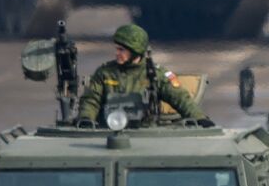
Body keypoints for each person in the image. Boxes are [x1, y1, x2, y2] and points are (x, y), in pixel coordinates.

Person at [77, 24, 206, 124]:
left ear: (135, 51)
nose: (117, 53)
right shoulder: (105, 73)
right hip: (109, 128)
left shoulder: (156, 74)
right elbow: (91, 99)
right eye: (116, 49)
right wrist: (86, 118)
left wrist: (199, 117)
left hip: (145, 130)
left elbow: (179, 97)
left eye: (121, 50)